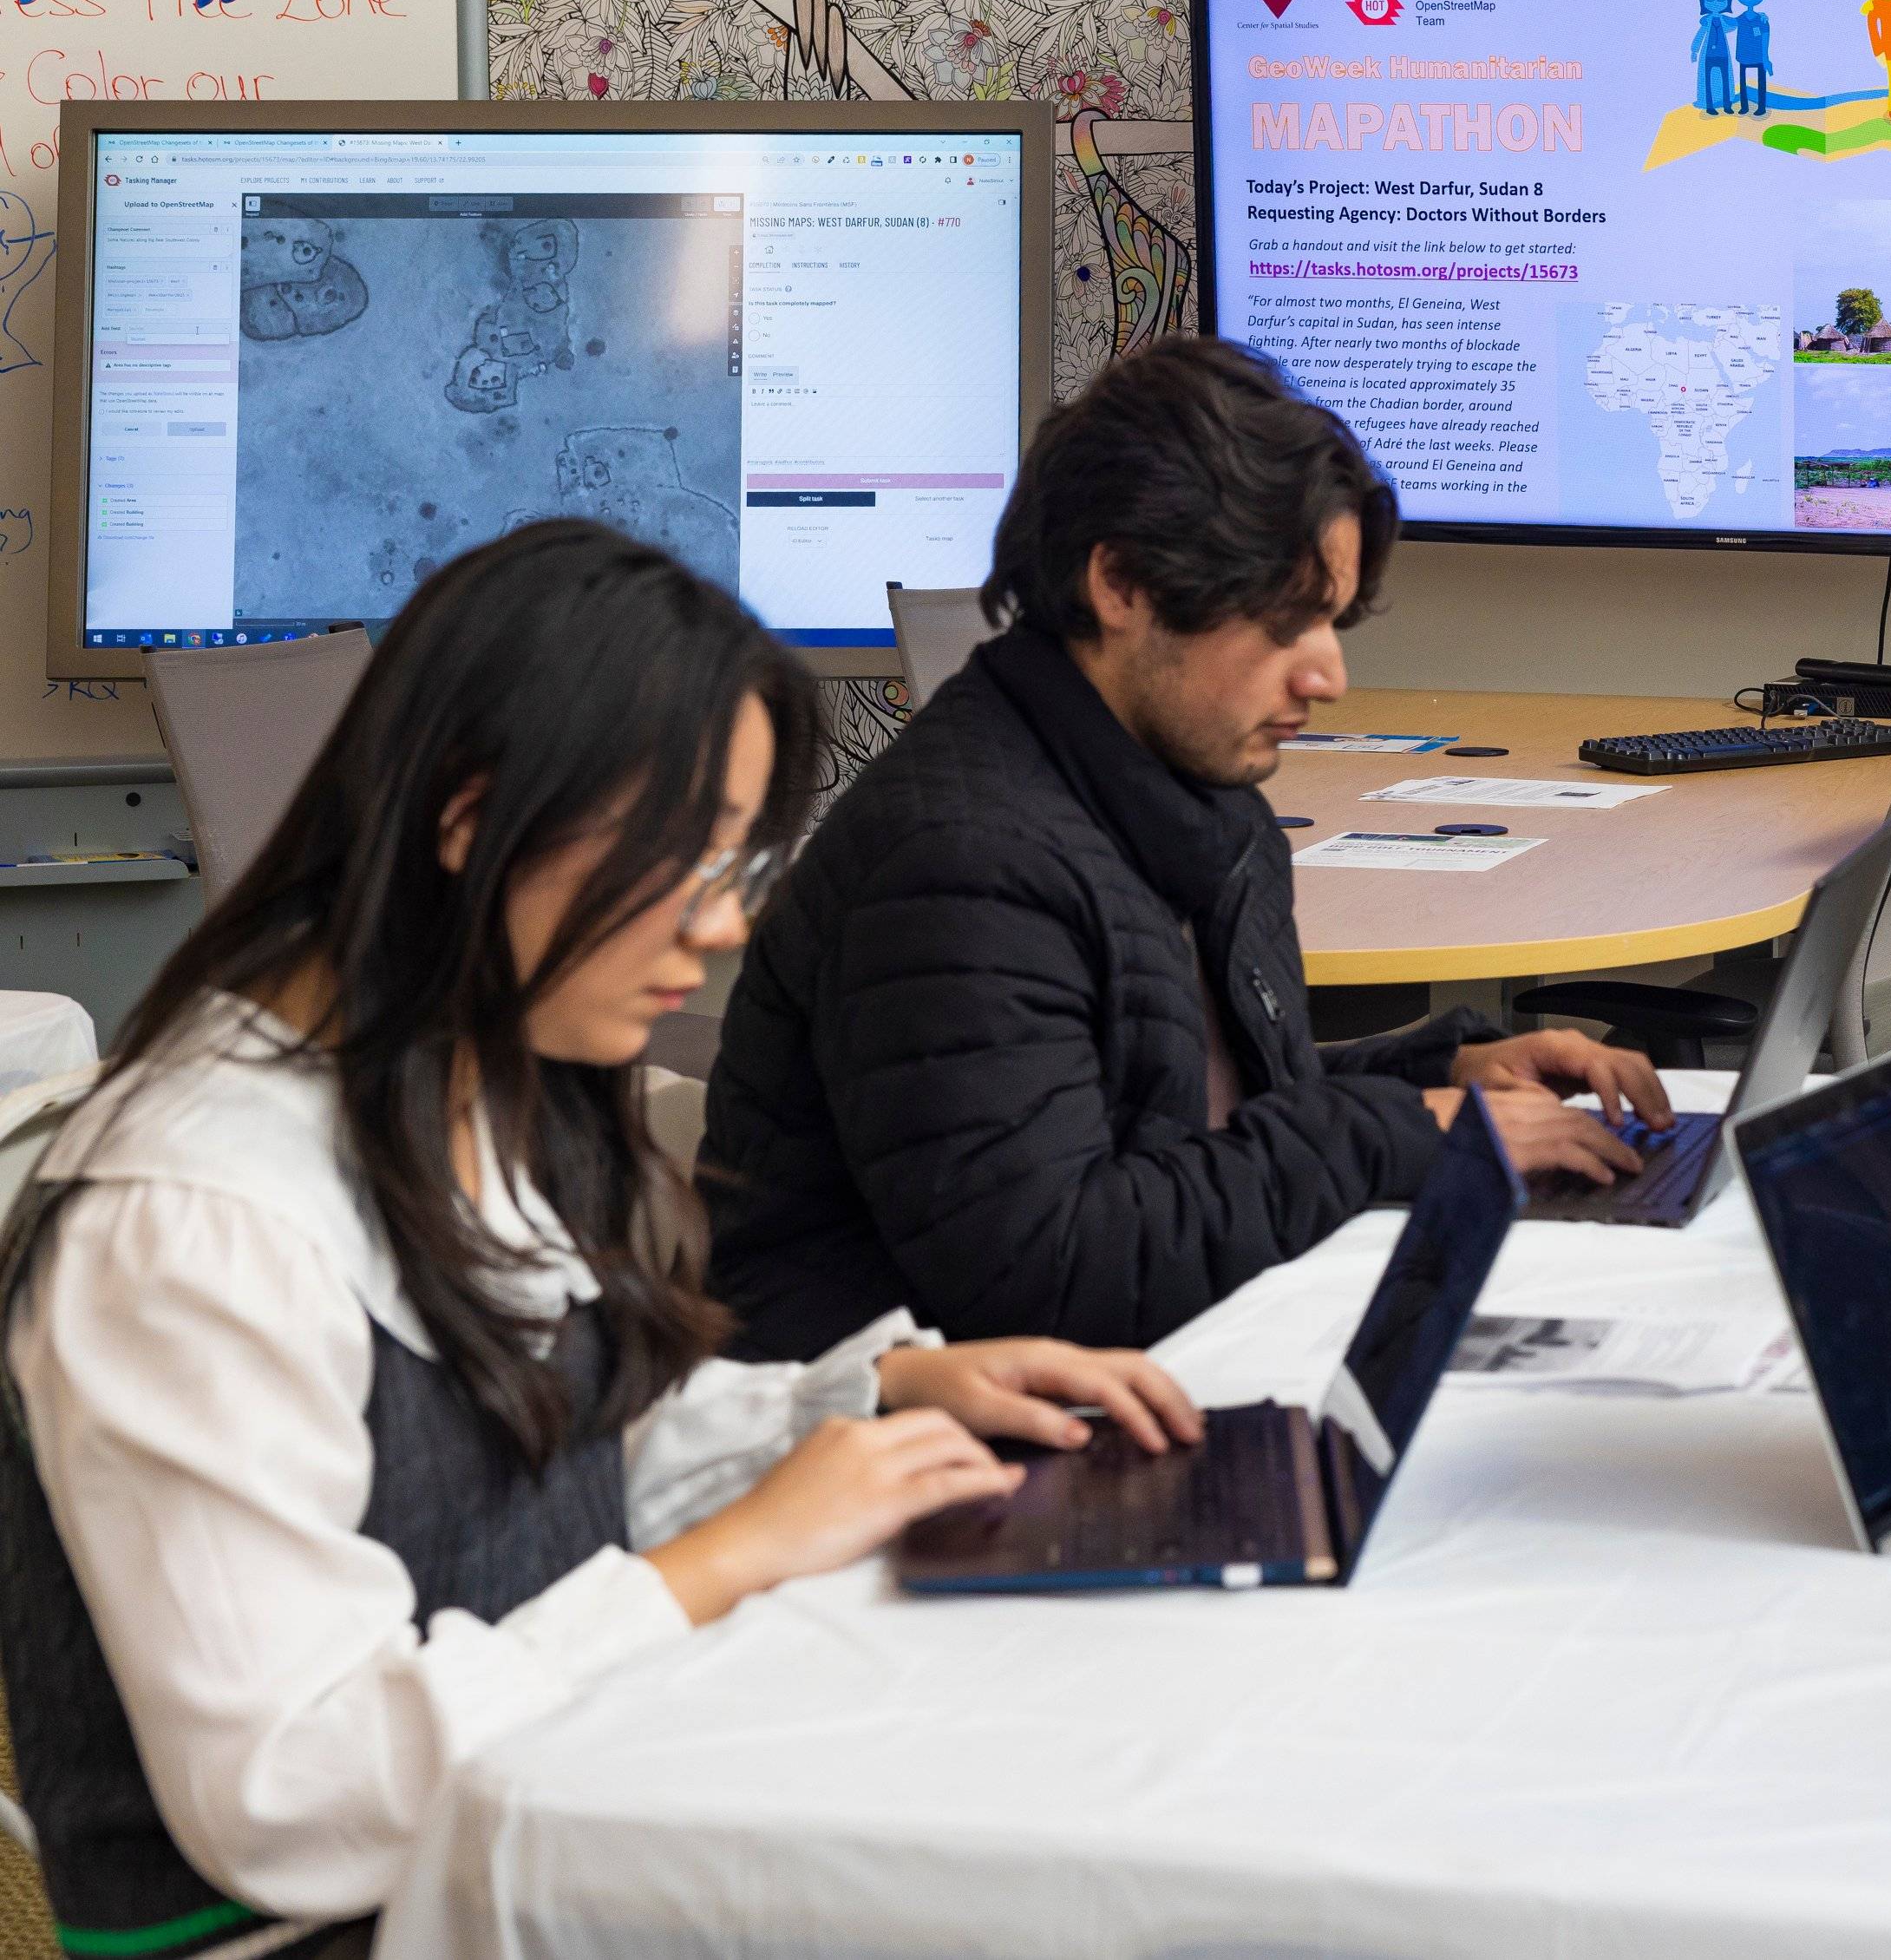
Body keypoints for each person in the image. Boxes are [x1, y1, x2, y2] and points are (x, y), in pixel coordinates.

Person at [0, 521, 1201, 1960]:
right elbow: (291, 1795)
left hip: (525, 1837)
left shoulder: (457, 1077)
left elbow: (546, 1461)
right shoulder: (190, 1225)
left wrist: (862, 1402)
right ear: (470, 816)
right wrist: (727, 1559)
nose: (720, 929)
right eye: (684, 862)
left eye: (739, 866)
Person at [702, 338, 1667, 1366]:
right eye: (1285, 621)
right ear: (1121, 583)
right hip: (913, 1427)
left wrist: (1446, 1070)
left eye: (1332, 621)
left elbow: (1177, 1108)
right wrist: (1404, 1129)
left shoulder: (1188, 792)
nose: (1329, 675)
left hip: (1145, 1362)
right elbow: (1053, 1274)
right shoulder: (960, 862)